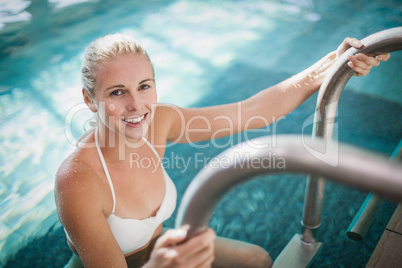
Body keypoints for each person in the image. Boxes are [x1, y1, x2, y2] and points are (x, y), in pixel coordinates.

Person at [54, 33, 390, 268]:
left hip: (161, 248)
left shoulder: (159, 121)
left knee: (256, 260)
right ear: (89, 99)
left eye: (144, 86)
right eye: (116, 93)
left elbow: (253, 110)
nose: (136, 105)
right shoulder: (79, 181)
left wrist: (334, 63)